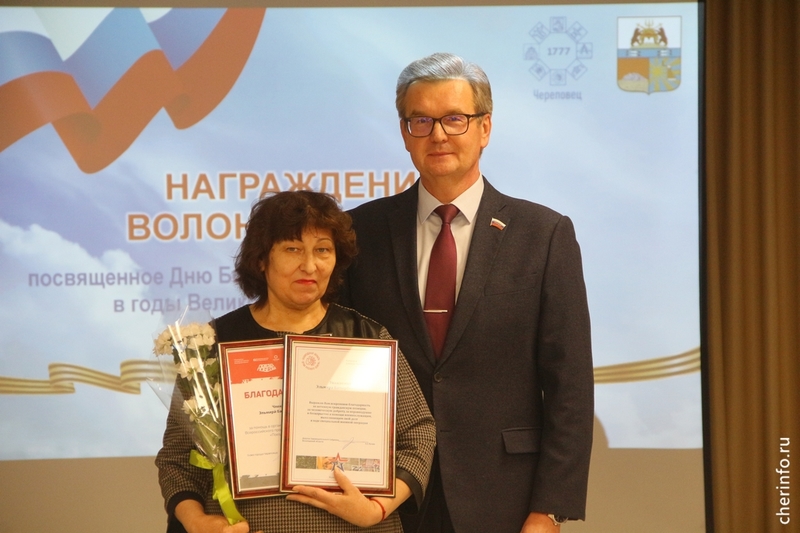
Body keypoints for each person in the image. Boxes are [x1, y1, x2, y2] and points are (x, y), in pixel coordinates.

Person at [341, 53, 594, 533]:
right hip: (385, 497)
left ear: (485, 128)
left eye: (454, 118)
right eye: (421, 120)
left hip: (505, 497)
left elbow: (571, 386)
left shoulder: (543, 234)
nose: (438, 134)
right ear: (404, 133)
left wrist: (550, 508)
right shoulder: (360, 232)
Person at [156, 191, 436, 533]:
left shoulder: (366, 337)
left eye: (323, 250)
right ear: (261, 259)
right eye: (292, 249)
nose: (310, 265)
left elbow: (418, 434)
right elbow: (177, 458)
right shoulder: (216, 343)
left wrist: (376, 508)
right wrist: (197, 522)